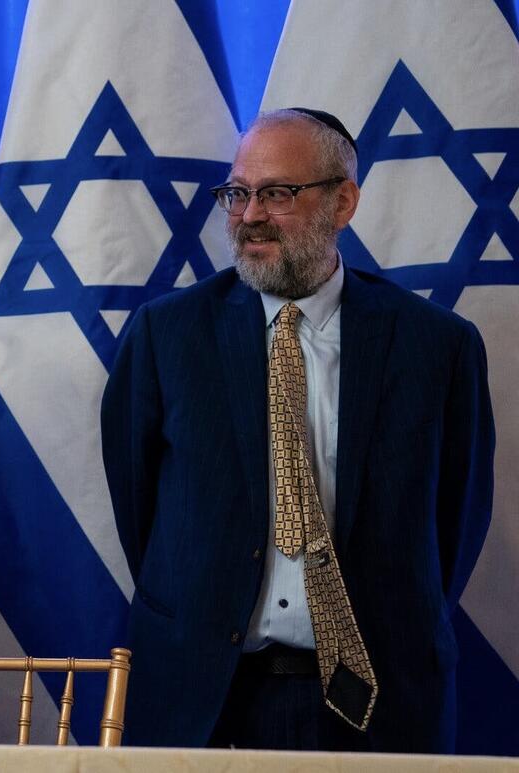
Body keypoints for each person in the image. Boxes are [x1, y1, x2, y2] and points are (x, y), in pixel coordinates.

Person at [101, 108, 493, 752]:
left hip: (380, 698)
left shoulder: (437, 346)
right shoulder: (165, 335)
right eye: (237, 193)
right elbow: (139, 508)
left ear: (343, 203)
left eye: (278, 193)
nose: (249, 215)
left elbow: (457, 521)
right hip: (200, 698)